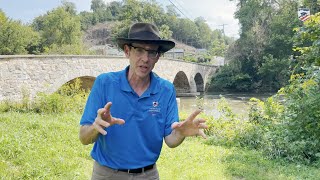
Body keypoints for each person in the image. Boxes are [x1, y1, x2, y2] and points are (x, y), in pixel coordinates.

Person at [79, 22, 208, 180]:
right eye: (139, 50)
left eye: (152, 52)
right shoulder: (104, 83)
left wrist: (180, 133)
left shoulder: (166, 90)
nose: (145, 58)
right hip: (106, 174)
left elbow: (171, 140)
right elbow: (83, 138)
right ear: (127, 51)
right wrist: (95, 127)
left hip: (148, 175)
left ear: (157, 57)